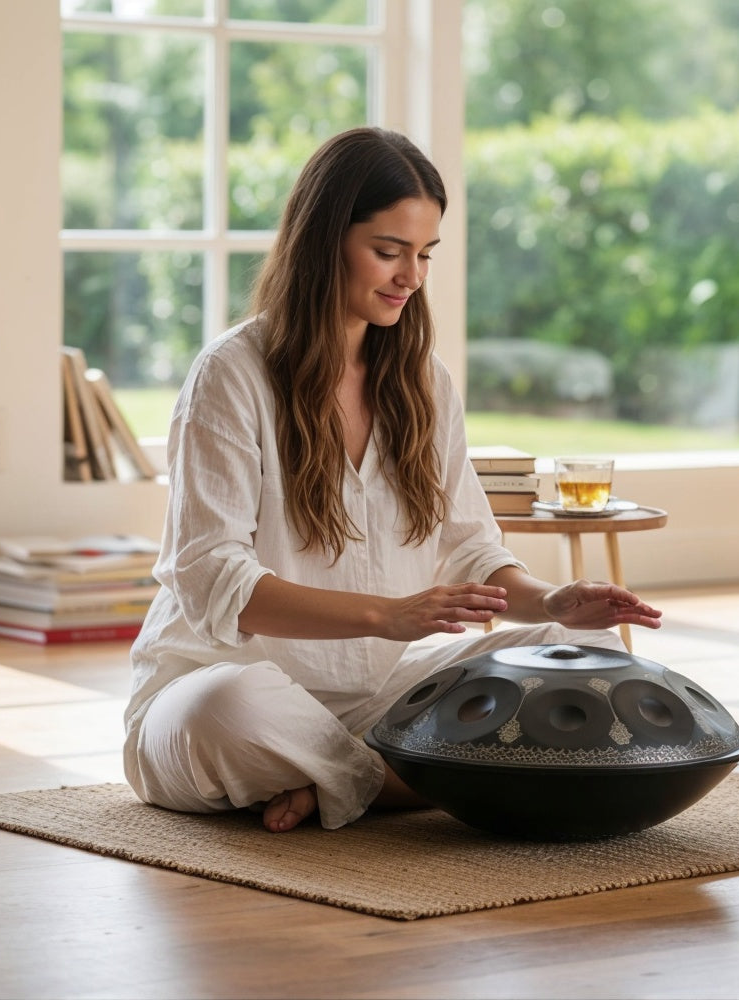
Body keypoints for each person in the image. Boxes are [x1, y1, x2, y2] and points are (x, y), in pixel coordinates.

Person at [123, 126, 663, 834]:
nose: (410, 276)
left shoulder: (424, 382)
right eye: (388, 252)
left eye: (424, 255)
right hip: (230, 690)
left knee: (587, 656)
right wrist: (387, 615)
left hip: (380, 697)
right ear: (322, 243)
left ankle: (347, 780)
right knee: (224, 710)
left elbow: (473, 551)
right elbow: (213, 578)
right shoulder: (231, 375)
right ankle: (416, 777)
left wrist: (553, 598)